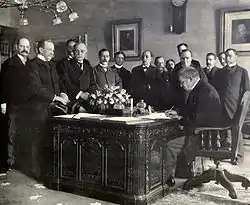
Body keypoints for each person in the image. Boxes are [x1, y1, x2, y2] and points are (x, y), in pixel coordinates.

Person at [165, 67, 222, 186]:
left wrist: (181, 119)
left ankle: (166, 180)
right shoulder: (201, 88)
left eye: (182, 82)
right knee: (173, 135)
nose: (181, 85)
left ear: (190, 79)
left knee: (169, 145)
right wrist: (179, 113)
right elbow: (193, 110)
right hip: (205, 131)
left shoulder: (205, 91)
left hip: (205, 136)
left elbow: (198, 118)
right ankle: (184, 172)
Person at [25, 39, 69, 181]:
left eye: (53, 49)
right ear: (40, 50)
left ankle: (51, 173)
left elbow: (58, 82)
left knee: (52, 140)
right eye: (49, 49)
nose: (52, 52)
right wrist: (55, 97)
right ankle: (38, 174)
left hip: (54, 108)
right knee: (38, 141)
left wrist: (63, 93)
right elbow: (36, 88)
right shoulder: (31, 65)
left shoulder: (52, 64)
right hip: (39, 108)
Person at [0, 37, 31, 173]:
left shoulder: (30, 64)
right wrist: (2, 102)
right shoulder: (9, 63)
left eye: (27, 46)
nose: (25, 49)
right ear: (16, 47)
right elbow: (2, 85)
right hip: (13, 103)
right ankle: (9, 161)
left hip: (27, 105)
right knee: (11, 132)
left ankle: (21, 161)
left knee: (24, 132)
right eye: (22, 46)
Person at [214, 48, 250, 164]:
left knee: (237, 131)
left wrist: (243, 105)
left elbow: (246, 90)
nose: (227, 58)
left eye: (230, 56)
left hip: (236, 106)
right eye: (226, 56)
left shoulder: (242, 71)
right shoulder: (220, 72)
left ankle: (238, 156)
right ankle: (225, 152)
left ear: (236, 57)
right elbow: (215, 89)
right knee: (223, 130)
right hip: (222, 106)